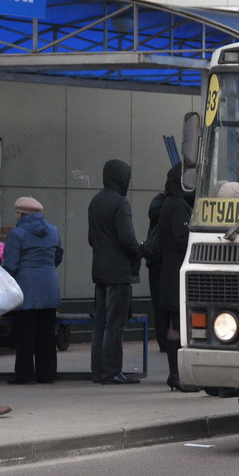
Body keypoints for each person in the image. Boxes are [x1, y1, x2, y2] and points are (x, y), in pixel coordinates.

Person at [88, 159, 142, 384]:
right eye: (126, 177)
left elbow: (92, 238)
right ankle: (112, 372)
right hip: (119, 272)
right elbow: (127, 239)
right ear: (120, 177)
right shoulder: (120, 203)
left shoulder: (95, 202)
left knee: (100, 323)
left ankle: (98, 371)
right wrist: (140, 250)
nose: (128, 181)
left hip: (100, 270)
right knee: (115, 324)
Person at [2, 197, 64, 384]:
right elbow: (58, 255)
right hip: (49, 289)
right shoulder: (53, 230)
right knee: (46, 336)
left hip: (26, 292)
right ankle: (47, 375)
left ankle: (25, 376)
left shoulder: (17, 234)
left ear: (20, 213)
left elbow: (10, 265)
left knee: (25, 336)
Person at [159, 163, 201, 392]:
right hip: (177, 276)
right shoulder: (177, 206)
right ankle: (176, 375)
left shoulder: (168, 203)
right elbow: (182, 239)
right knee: (177, 326)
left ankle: (176, 374)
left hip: (169, 273)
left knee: (175, 326)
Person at [146, 192, 167, 352]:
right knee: (161, 304)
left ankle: (164, 339)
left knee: (160, 304)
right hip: (160, 261)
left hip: (157, 261)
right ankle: (164, 340)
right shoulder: (162, 200)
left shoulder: (160, 201)